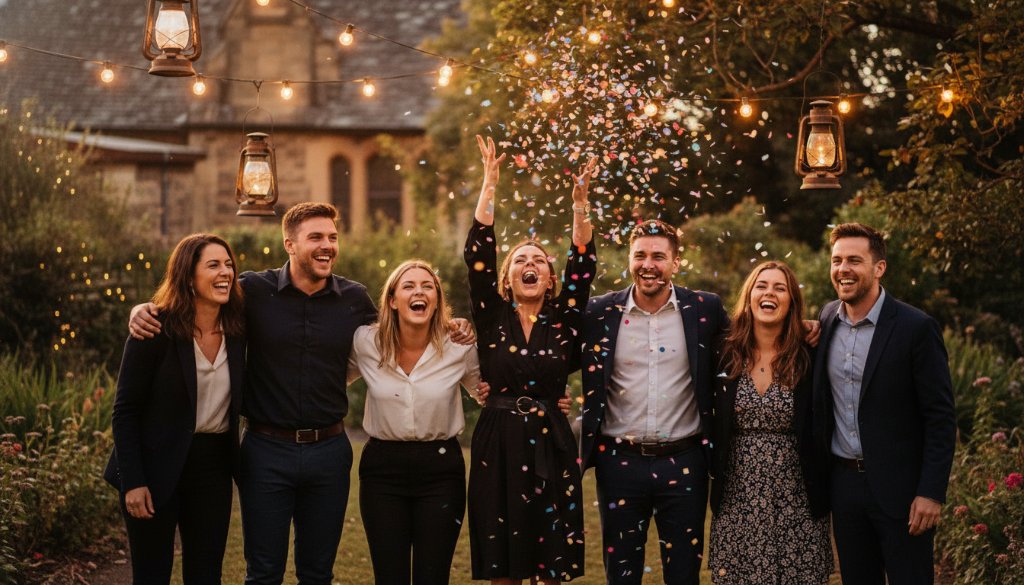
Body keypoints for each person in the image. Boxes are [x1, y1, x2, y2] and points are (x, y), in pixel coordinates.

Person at [465, 136, 597, 584]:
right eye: (520, 259)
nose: (530, 264)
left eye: (539, 260)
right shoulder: (491, 316)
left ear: (550, 278)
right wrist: (489, 185)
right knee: (503, 559)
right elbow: (478, 255)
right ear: (506, 278)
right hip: (498, 440)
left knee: (550, 562)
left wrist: (579, 207)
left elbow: (583, 266)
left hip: (551, 439)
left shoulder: (564, 320)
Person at [579, 218, 729, 585]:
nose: (648, 265)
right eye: (640, 255)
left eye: (658, 257)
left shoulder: (705, 309)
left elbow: (751, 342)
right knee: (621, 575)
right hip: (619, 464)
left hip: (685, 462)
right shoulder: (599, 312)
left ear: (676, 262)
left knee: (684, 575)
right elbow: (554, 351)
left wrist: (806, 328)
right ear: (629, 259)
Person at [813, 222, 955, 585]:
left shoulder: (916, 327)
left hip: (902, 491)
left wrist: (930, 492)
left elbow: (940, 417)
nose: (843, 269)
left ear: (879, 268)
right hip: (844, 487)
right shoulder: (827, 319)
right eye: (836, 260)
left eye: (854, 260)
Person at [104, 233, 246, 585]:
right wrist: (133, 482)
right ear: (188, 276)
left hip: (213, 467)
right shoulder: (155, 328)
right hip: (154, 464)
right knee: (152, 575)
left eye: (228, 264)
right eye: (213, 265)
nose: (225, 272)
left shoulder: (240, 329)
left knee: (206, 574)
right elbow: (125, 411)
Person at [348, 259, 482, 585]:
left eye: (427, 286)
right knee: (389, 576)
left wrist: (548, 398)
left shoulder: (458, 347)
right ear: (393, 300)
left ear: (437, 300)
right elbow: (328, 379)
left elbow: (491, 393)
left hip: (441, 471)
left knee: (433, 577)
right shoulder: (366, 342)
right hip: (382, 471)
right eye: (408, 286)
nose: (419, 292)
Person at [708, 261, 832, 584]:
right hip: (738, 497)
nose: (769, 293)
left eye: (780, 288)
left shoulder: (809, 353)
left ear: (792, 301)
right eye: (761, 286)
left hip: (798, 497)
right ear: (749, 295)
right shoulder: (724, 351)